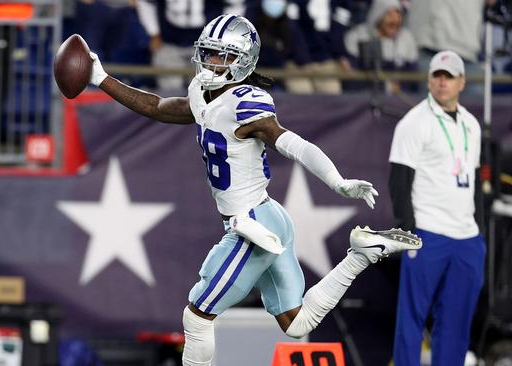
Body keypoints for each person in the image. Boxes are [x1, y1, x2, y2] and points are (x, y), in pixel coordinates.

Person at [87, 14, 422, 365]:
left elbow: (295, 145)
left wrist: (338, 181)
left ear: (242, 61)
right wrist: (101, 78)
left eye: (221, 56)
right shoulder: (202, 92)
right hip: (269, 216)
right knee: (297, 323)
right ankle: (361, 254)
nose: (211, 62)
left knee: (197, 316)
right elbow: (157, 107)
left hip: (251, 227)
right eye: (209, 53)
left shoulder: (247, 103)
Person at [388, 50, 486, 365]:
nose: (442, 83)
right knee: (412, 317)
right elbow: (398, 181)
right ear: (429, 79)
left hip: (466, 235)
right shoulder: (414, 122)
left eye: (449, 77)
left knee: (457, 321)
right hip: (428, 232)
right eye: (437, 76)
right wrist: (409, 232)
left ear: (462, 82)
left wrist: (479, 233)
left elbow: (473, 182)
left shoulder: (472, 124)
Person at [343, 0, 418, 92]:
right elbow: (355, 76)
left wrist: (400, 88)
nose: (394, 20)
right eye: (389, 15)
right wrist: (387, 87)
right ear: (378, 15)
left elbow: (412, 75)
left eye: (398, 15)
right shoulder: (358, 36)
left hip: (401, 99)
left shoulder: (407, 38)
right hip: (364, 97)